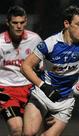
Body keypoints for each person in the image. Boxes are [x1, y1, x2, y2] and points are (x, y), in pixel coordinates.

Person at [21, 5, 79, 136]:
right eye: (78, 24)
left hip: (65, 101)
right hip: (42, 95)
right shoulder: (50, 43)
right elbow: (25, 66)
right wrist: (44, 86)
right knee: (29, 133)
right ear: (67, 24)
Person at [0, 5, 42, 136]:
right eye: (15, 23)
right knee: (17, 128)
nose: (19, 26)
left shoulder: (35, 39)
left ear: (26, 22)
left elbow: (41, 67)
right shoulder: (0, 42)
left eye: (22, 22)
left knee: (30, 132)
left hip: (30, 90)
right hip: (7, 91)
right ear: (7, 23)